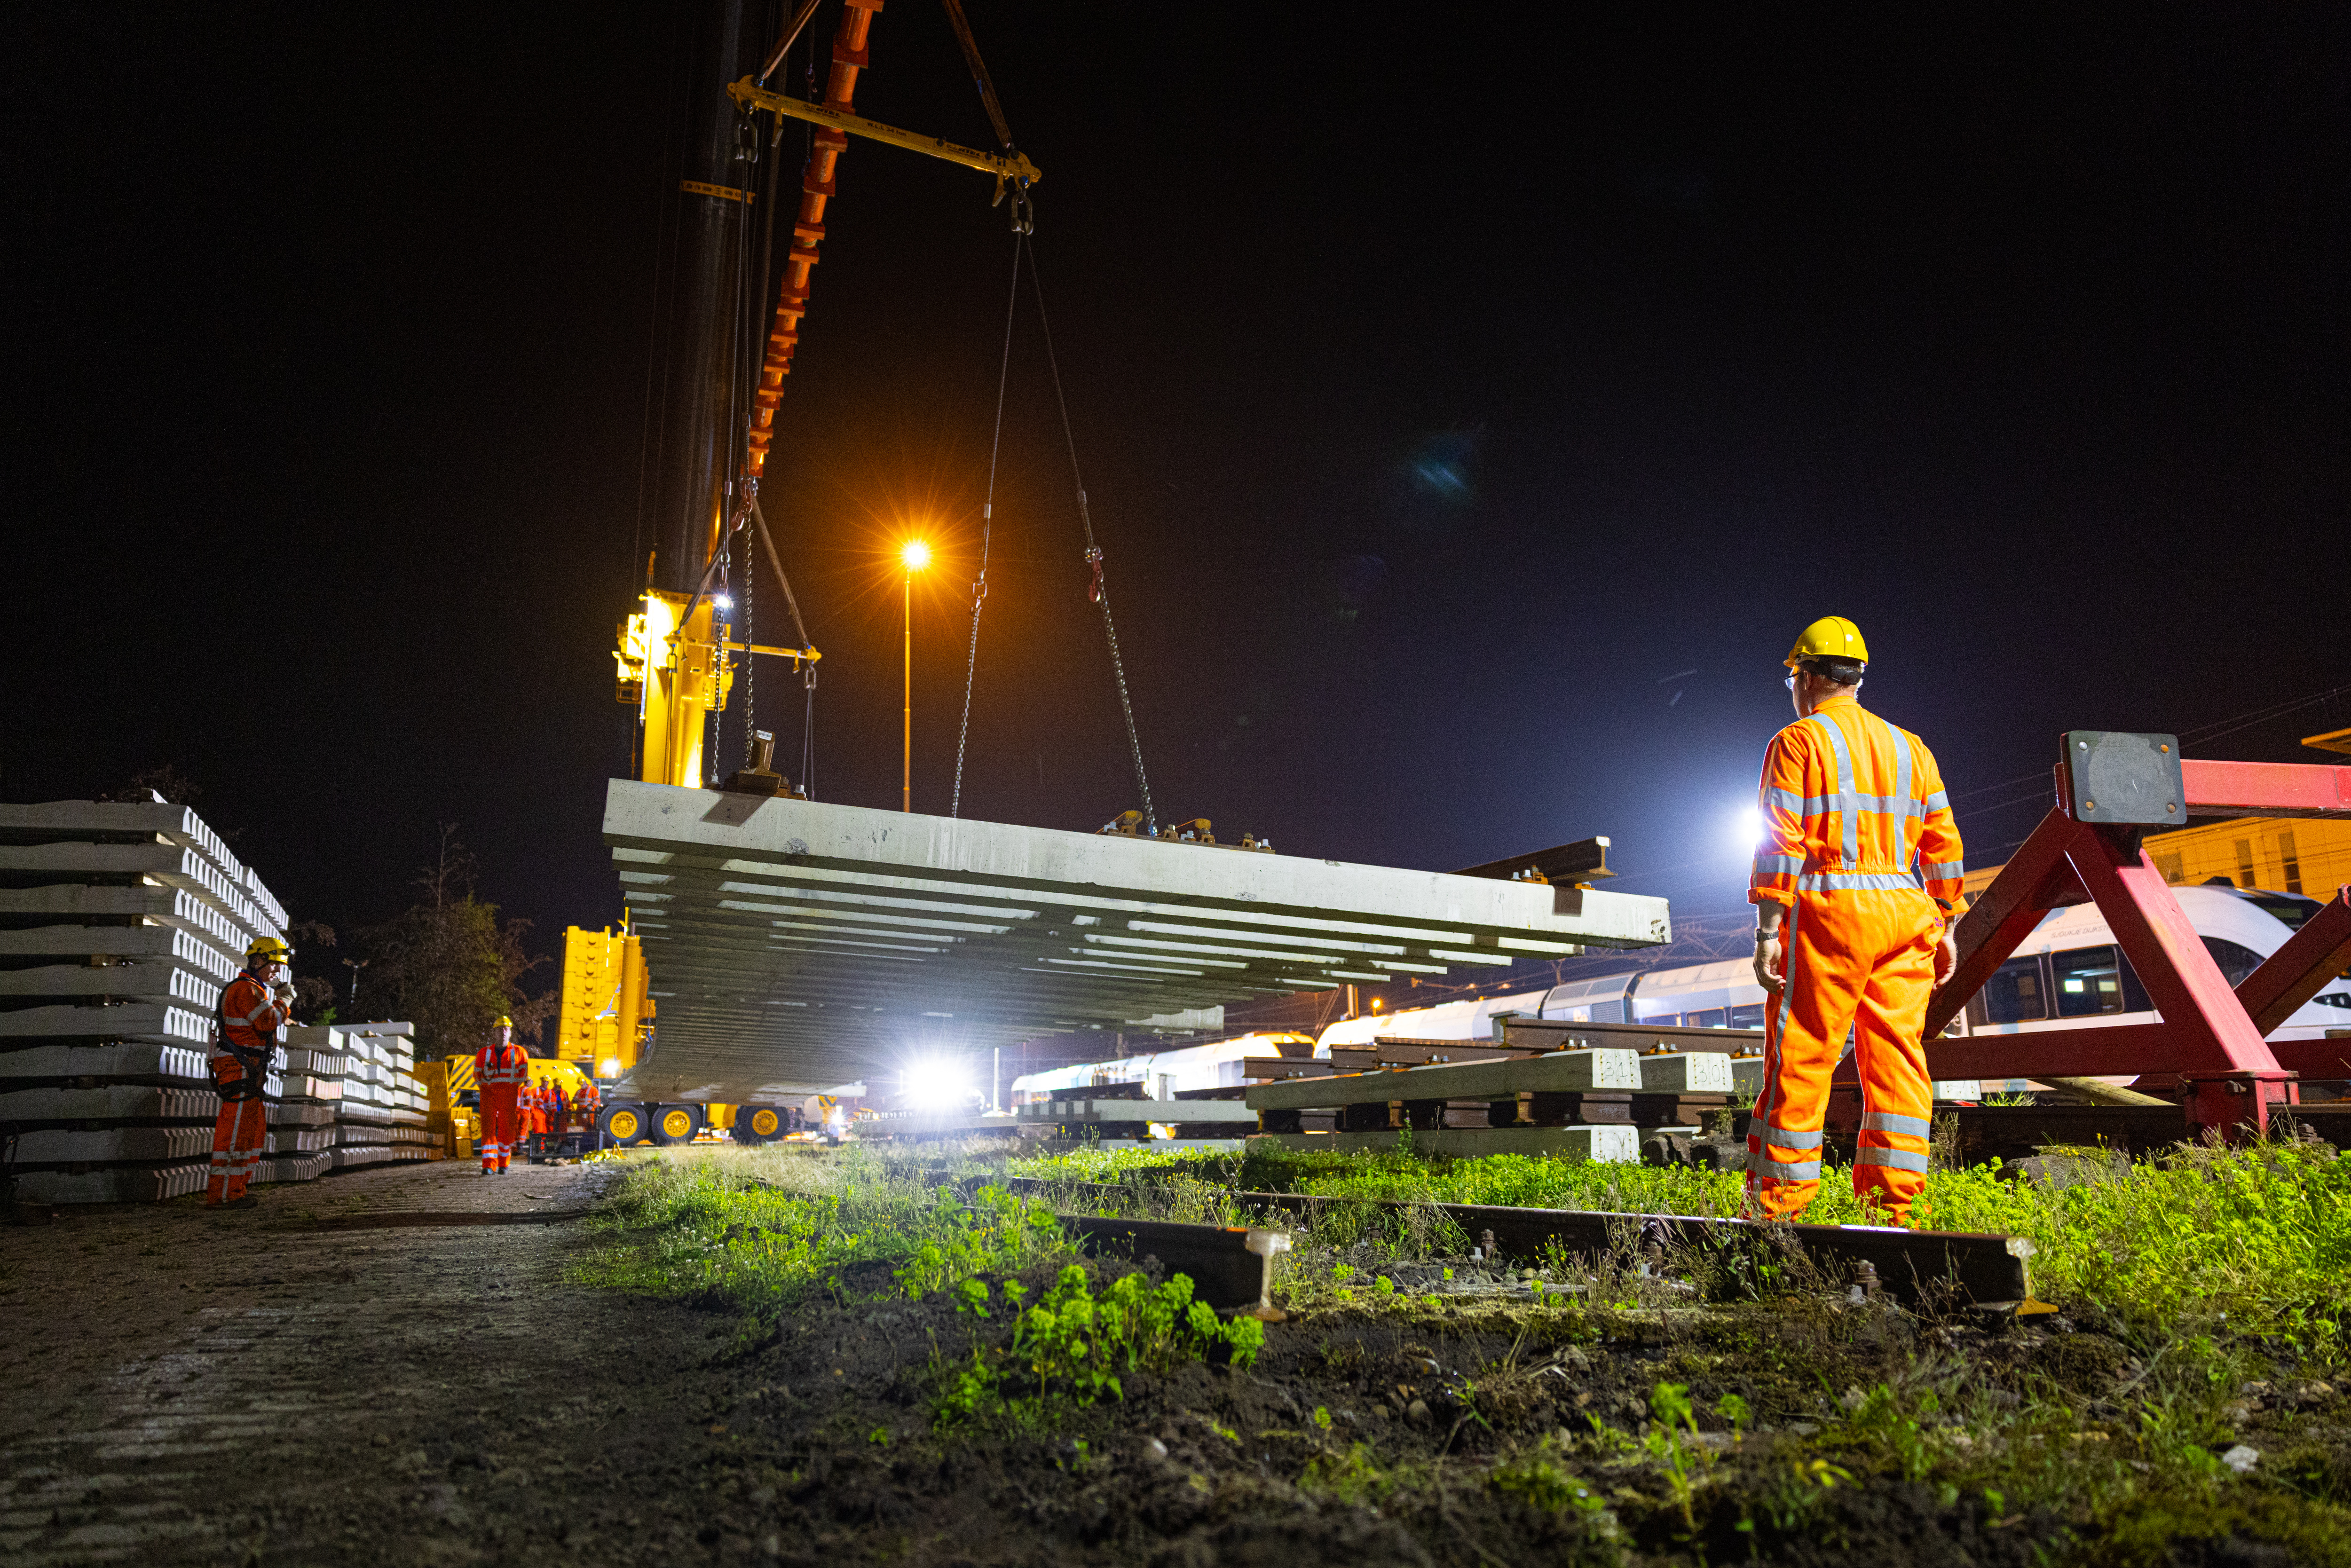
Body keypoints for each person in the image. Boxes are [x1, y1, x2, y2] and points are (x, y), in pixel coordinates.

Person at [1747, 616, 1965, 1225]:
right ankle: (1895, 1214)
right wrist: (1946, 919)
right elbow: (1944, 843)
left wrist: (1768, 928)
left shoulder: (1798, 741)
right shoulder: (1912, 747)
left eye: (1793, 676)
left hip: (1831, 912)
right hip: (1906, 911)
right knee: (1898, 1061)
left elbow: (1780, 842)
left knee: (1802, 1058)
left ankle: (1776, 1216)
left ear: (1808, 677)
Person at [207, 937, 294, 1208]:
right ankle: (222, 1196)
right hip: (238, 1069)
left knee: (250, 1133)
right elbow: (268, 1022)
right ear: (257, 961)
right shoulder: (245, 989)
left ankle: (236, 1190)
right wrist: (285, 1000)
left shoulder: (255, 989)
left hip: (249, 1071)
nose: (277, 971)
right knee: (234, 1133)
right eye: (274, 965)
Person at [474, 1016, 531, 1175]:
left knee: (507, 1129)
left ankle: (503, 1164)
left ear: (510, 1032)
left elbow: (523, 1075)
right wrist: (490, 1085)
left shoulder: (520, 1053)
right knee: (488, 1129)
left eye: (506, 1029)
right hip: (488, 1094)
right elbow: (477, 1075)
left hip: (509, 1094)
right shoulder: (483, 1053)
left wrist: (508, 1087)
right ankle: (488, 1165)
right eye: (500, 1029)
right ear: (494, 1033)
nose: (503, 1032)